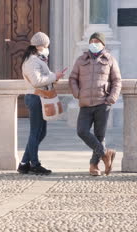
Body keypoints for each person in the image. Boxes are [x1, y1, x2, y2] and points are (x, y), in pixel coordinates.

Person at [69, 32, 122, 176]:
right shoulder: (81, 59)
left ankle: (94, 166)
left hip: (102, 103)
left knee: (99, 136)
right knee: (82, 131)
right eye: (92, 40)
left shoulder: (110, 59)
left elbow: (117, 81)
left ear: (103, 44)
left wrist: (111, 99)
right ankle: (106, 154)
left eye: (97, 41)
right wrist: (77, 93)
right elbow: (72, 78)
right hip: (85, 103)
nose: (94, 43)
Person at [18, 32, 64, 175]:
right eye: (46, 45)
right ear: (41, 45)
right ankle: (35, 164)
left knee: (40, 132)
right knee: (36, 132)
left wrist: (53, 77)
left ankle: (24, 163)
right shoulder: (32, 61)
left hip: (40, 98)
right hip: (35, 98)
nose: (47, 47)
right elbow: (37, 81)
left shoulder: (38, 59)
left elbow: (44, 77)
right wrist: (54, 76)